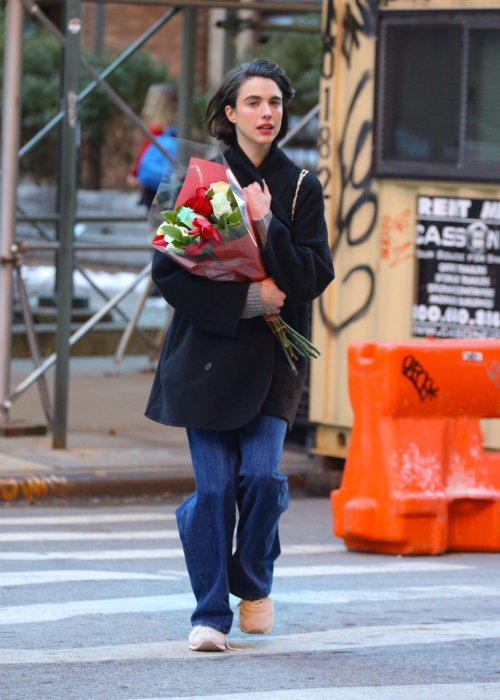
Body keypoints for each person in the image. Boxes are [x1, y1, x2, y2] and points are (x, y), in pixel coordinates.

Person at [145, 58, 335, 652]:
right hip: (204, 357)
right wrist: (247, 299)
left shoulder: (302, 187)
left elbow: (313, 275)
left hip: (275, 362)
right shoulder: (195, 180)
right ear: (230, 113)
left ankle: (251, 581)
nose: (266, 114)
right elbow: (168, 274)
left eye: (275, 103)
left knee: (261, 476)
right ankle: (209, 614)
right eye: (253, 103)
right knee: (217, 485)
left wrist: (267, 223)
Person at [127, 83, 178, 209]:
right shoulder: (176, 125)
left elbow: (145, 151)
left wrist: (133, 173)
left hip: (155, 183)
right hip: (169, 180)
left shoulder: (157, 126)